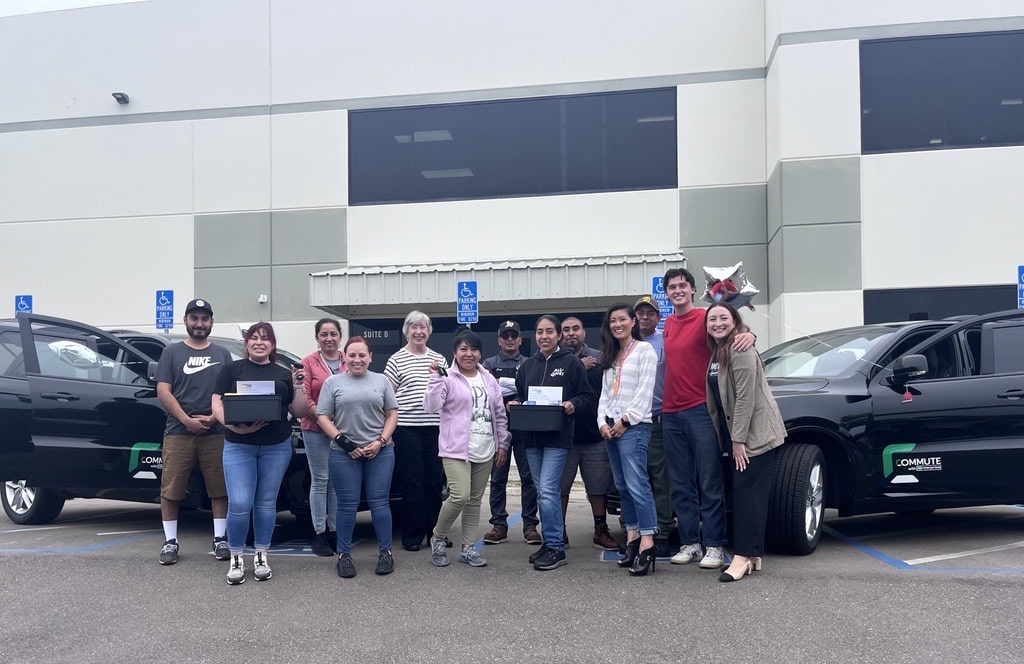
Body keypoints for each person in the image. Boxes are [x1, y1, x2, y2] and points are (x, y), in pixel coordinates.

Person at [662, 267, 755, 570]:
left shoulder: (705, 318)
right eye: (672, 287)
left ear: (692, 290)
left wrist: (749, 334)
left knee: (709, 481)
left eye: (682, 285)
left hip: (701, 409)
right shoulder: (668, 324)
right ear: (667, 293)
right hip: (670, 412)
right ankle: (690, 542)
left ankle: (714, 544)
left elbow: (730, 330)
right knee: (680, 483)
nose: (677, 290)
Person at [212, 322, 306, 585]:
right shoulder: (231, 370)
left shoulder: (283, 373)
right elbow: (216, 402)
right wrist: (233, 426)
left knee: (266, 502)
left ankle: (262, 554)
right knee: (240, 502)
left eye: (265, 339)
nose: (259, 343)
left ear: (272, 345)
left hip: (276, 445)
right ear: (247, 343)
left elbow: (298, 411)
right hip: (238, 445)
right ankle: (236, 556)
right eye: (254, 338)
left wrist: (299, 385)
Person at [704, 302, 786, 582]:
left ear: (734, 321)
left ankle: (741, 558)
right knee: (747, 494)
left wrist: (738, 441)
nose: (717, 323)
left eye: (723, 318)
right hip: (738, 435)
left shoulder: (739, 348)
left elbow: (746, 397)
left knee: (747, 493)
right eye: (712, 319)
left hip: (754, 436)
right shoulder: (719, 351)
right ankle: (753, 555)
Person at [154, 298, 234, 566]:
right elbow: (163, 391)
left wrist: (213, 417)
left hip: (216, 432)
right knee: (171, 489)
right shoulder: (171, 353)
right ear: (186, 320)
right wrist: (186, 420)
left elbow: (229, 393)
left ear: (211, 322)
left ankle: (220, 539)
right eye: (195, 318)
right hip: (178, 431)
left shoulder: (222, 354)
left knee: (219, 489)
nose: (200, 323)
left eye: (204, 319)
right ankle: (170, 542)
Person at [511, 314, 593, 571]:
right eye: (539, 332)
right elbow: (521, 395)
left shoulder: (571, 363)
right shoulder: (527, 366)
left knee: (548, 490)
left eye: (549, 331)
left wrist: (573, 404)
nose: (544, 336)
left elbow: (586, 395)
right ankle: (549, 543)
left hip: (558, 437)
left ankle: (556, 547)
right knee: (542, 491)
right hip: (531, 438)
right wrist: (515, 404)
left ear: (558, 335)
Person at [423, 330, 511, 568]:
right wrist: (435, 380)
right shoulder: (447, 378)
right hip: (455, 449)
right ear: (455, 353)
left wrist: (502, 443)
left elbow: (499, 414)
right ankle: (438, 537)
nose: (468, 354)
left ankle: (468, 548)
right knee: (460, 496)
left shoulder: (489, 379)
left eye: (473, 349)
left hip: (485, 448)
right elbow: (431, 406)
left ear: (480, 353)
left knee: (474, 501)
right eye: (463, 349)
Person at [317, 336, 399, 578]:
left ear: (370, 357)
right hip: (344, 453)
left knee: (379, 503)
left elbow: (392, 414)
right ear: (345, 357)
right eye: (352, 355)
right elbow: (322, 416)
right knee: (347, 505)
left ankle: (386, 553)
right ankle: (344, 555)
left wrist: (381, 441)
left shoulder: (381, 381)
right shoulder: (332, 383)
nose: (357, 360)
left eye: (362, 355)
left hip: (380, 452)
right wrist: (344, 442)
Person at [596, 303, 659, 575]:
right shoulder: (611, 355)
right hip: (611, 428)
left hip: (634, 427)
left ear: (633, 322)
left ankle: (647, 541)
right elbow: (605, 394)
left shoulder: (644, 351)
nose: (617, 324)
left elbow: (645, 392)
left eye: (622, 319)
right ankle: (632, 536)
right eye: (613, 321)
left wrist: (625, 421)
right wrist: (602, 422)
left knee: (637, 485)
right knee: (622, 487)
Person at [384, 311, 450, 552]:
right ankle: (412, 536)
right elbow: (387, 397)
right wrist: (387, 431)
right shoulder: (396, 360)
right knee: (412, 483)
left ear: (429, 332)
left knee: (434, 482)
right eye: (414, 327)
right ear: (407, 331)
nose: (419, 332)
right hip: (407, 428)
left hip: (435, 428)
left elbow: (448, 391)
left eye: (423, 327)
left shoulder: (439, 359)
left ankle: (436, 533)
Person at [559, 316, 618, 551]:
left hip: (595, 435)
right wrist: (577, 367)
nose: (571, 333)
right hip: (564, 437)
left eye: (576, 328)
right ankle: (558, 531)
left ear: (584, 332)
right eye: (566, 330)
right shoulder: (555, 361)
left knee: (598, 486)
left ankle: (600, 530)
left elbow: (611, 392)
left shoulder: (601, 358)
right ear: (560, 335)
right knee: (560, 487)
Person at [481, 320, 541, 546]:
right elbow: (488, 392)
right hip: (498, 427)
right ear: (499, 340)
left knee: (529, 478)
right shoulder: (488, 364)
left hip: (525, 427)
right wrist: (514, 387)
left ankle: (530, 526)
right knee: (498, 478)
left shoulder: (530, 363)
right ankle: (498, 525)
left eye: (513, 336)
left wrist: (508, 389)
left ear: (520, 339)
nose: (509, 340)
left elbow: (533, 391)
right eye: (505, 336)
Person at [633, 295, 676, 557]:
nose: (645, 317)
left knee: (660, 478)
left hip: (657, 418)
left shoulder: (665, 342)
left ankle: (662, 530)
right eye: (640, 313)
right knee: (634, 479)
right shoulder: (625, 343)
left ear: (658, 318)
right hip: (630, 422)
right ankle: (635, 529)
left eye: (650, 313)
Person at [300, 318, 344, 556]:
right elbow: (305, 397)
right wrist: (324, 419)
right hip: (315, 428)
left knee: (336, 481)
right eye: (324, 334)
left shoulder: (348, 360)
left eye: (333, 334)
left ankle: (335, 530)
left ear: (340, 336)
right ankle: (319, 533)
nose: (329, 339)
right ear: (317, 338)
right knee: (320, 480)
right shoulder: (308, 362)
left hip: (343, 430)